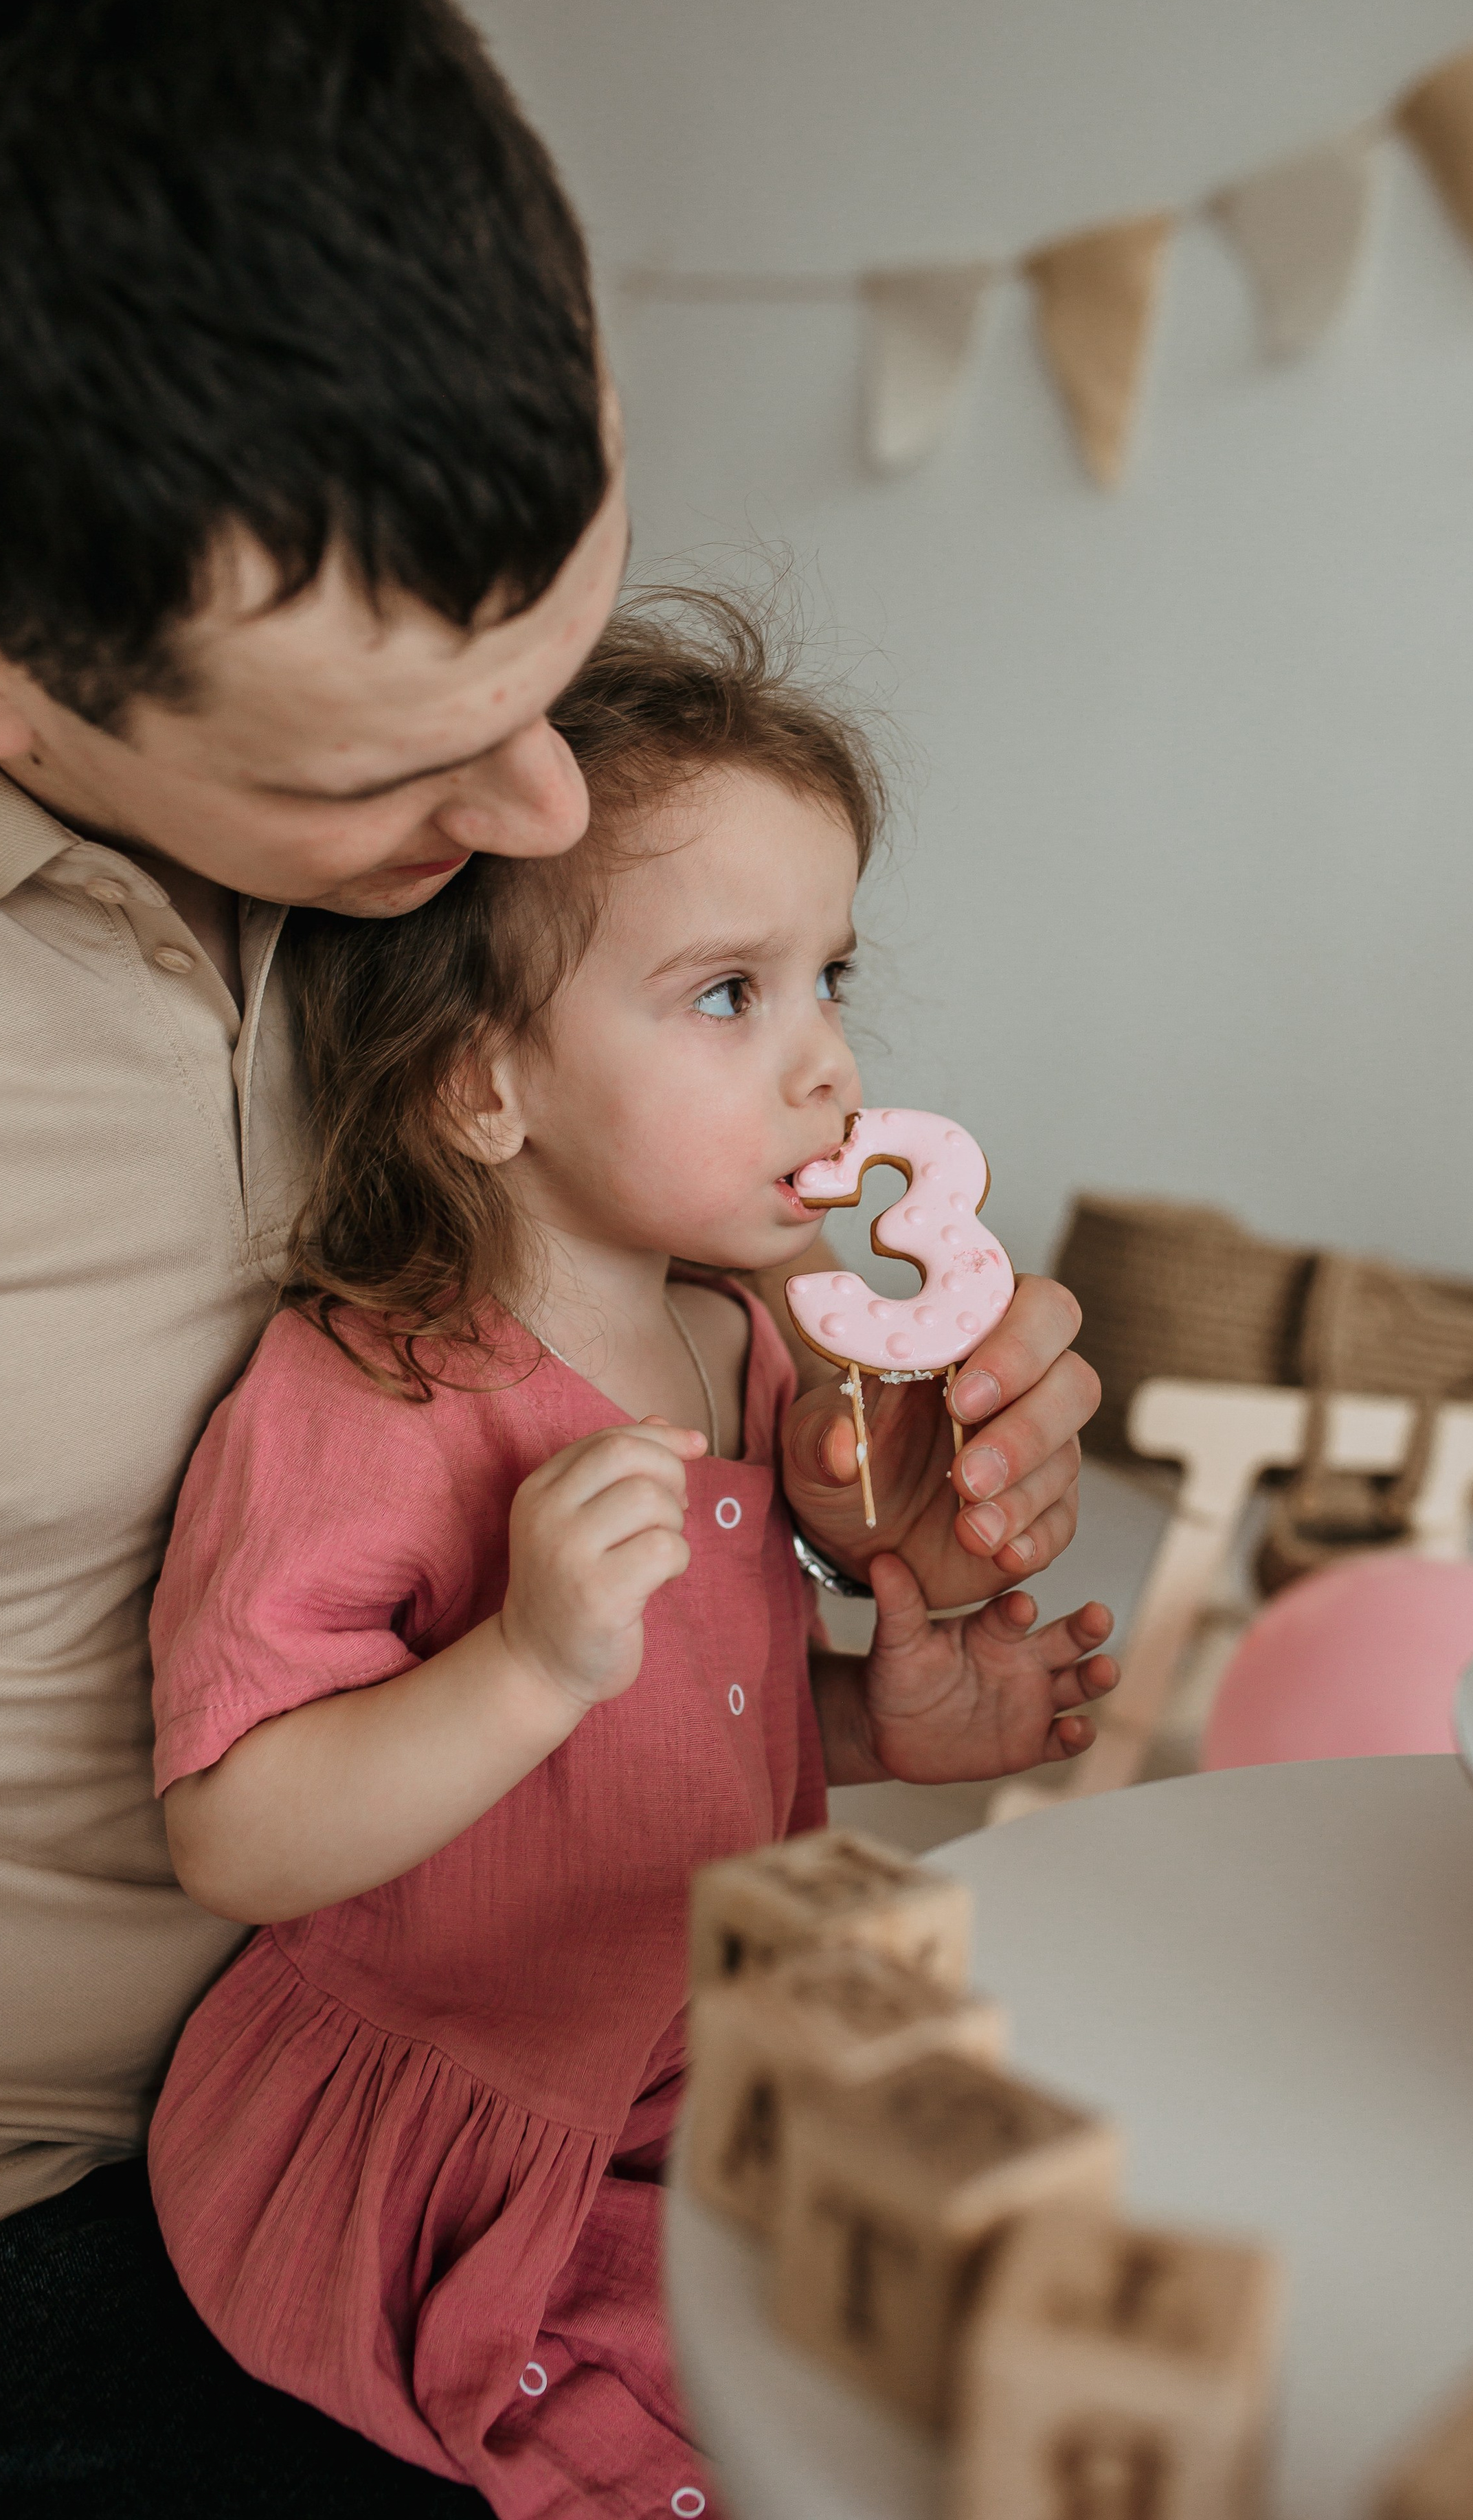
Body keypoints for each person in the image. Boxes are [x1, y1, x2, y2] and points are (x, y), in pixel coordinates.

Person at [0, 0, 1098, 2508]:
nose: (543, 808)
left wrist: (913, 1496)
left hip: (627, 2035)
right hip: (92, 2216)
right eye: (387, 775)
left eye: (552, 657)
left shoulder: (537, 923)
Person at [141, 593, 1117, 2515]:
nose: (831, 1065)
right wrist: (519, 1662)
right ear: (480, 1082)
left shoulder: (745, 1342)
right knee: (734, 2435)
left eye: (831, 976)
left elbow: (683, 1726)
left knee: (1006, 2303)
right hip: (469, 2121)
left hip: (697, 2053)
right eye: (730, 994)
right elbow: (234, 1835)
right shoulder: (376, 1388)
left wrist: (880, 1721)